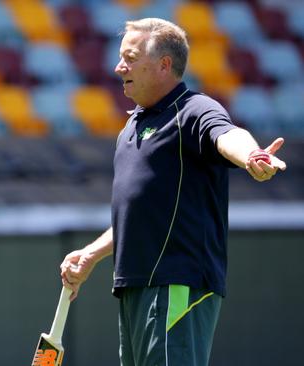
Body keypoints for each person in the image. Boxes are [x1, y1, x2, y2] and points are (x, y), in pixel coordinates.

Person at [60, 18, 287, 366]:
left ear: (165, 64)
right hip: (135, 288)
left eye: (131, 57)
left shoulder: (195, 109)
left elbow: (227, 135)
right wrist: (91, 254)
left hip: (175, 285)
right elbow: (139, 217)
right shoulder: (132, 127)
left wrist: (252, 156)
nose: (119, 66)